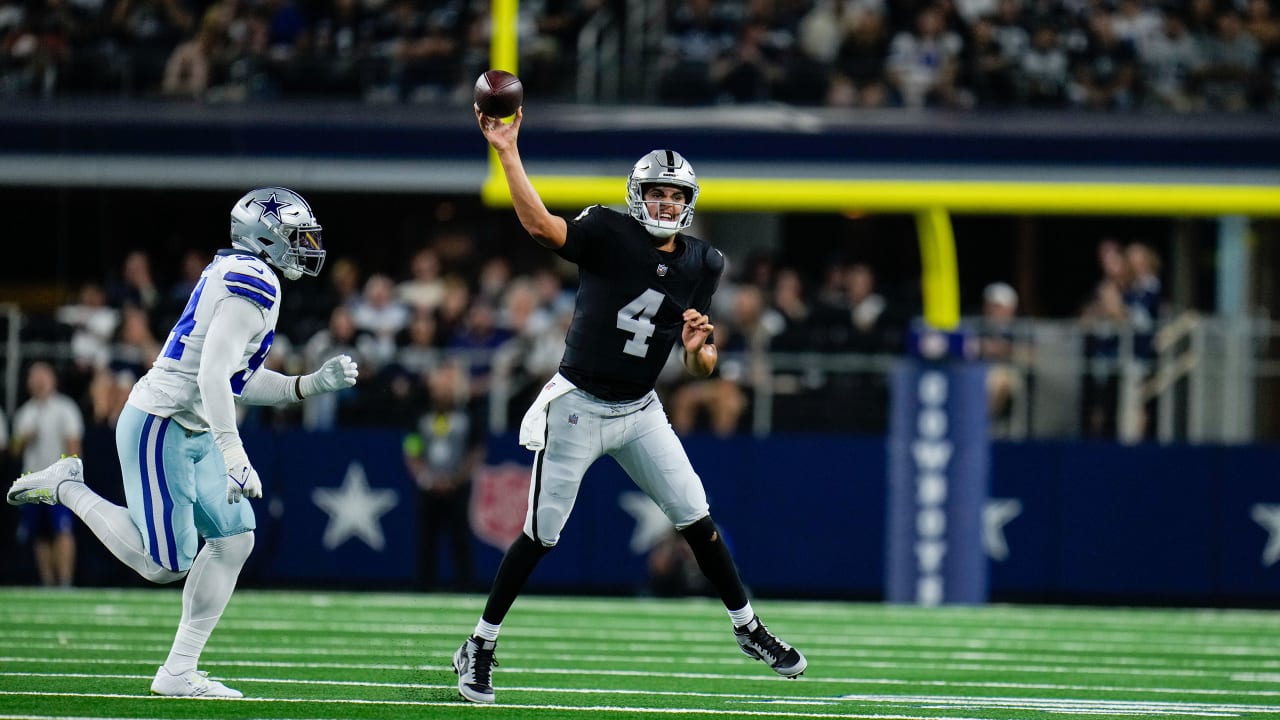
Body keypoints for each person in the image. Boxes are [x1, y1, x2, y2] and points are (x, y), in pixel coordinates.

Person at [452, 106, 807, 705]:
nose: (666, 204)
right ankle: (479, 644)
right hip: (578, 404)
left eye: (675, 195)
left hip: (641, 408)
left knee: (697, 517)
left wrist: (700, 349)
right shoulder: (606, 231)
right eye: (656, 192)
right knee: (541, 535)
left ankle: (748, 627)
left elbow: (701, 364)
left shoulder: (704, 262)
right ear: (635, 195)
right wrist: (508, 151)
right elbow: (541, 228)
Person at [6, 187, 358, 698]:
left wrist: (307, 386)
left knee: (235, 539)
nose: (306, 245)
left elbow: (237, 379)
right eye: (296, 235)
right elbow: (214, 379)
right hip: (162, 423)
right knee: (165, 563)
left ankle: (177, 671)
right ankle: (66, 486)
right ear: (264, 236)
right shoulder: (251, 282)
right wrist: (235, 454)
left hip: (193, 426)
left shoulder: (248, 276)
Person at [10, 361, 84, 587]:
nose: (38, 380)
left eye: (43, 375)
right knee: (39, 534)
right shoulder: (26, 412)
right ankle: (48, 582)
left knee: (62, 530)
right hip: (32, 483)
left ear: (53, 378)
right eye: (34, 376)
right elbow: (14, 451)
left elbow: (74, 447)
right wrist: (24, 438)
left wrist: (69, 480)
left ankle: (64, 580)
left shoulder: (65, 407)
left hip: (59, 483)